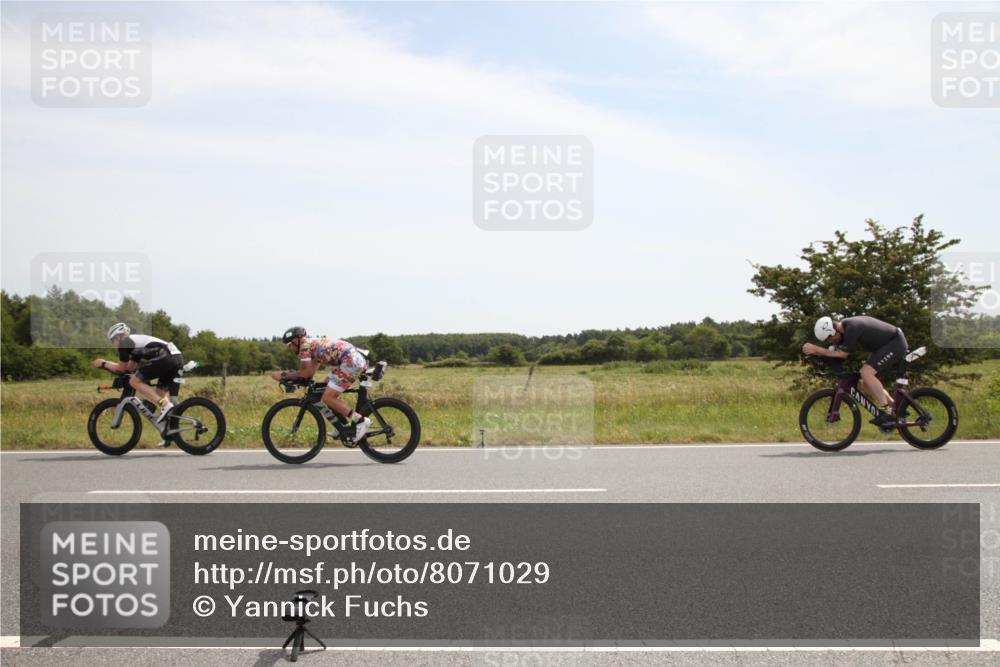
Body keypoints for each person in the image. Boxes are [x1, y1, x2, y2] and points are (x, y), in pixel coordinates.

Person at [802, 315, 908, 428]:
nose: (830, 342)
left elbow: (842, 354)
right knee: (866, 382)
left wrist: (817, 349)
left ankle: (887, 411)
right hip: (884, 346)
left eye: (829, 338)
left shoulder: (852, 327)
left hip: (895, 342)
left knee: (866, 373)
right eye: (827, 341)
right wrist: (815, 355)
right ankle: (896, 407)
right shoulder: (843, 332)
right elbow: (834, 354)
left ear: (834, 331)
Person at [272, 326, 371, 441]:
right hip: (350, 359)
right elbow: (309, 373)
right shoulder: (311, 345)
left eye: (289, 344)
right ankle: (341, 426)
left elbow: (305, 373)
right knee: (323, 388)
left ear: (296, 340)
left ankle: (360, 420)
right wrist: (299, 377)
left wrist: (284, 375)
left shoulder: (304, 347)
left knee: (328, 398)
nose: (289, 348)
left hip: (350, 362)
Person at [91, 322, 184, 424]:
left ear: (117, 338)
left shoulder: (124, 343)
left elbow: (121, 368)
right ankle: (171, 428)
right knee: (159, 394)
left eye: (112, 341)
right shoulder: (134, 344)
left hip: (166, 357)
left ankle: (164, 405)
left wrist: (104, 363)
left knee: (134, 381)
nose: (113, 345)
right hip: (176, 358)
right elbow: (129, 368)